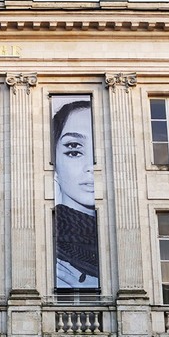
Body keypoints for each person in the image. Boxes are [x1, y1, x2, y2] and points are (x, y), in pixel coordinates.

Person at [53, 99, 99, 288]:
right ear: (53, 163)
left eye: (99, 152)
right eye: (74, 151)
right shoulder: (49, 242)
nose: (91, 167)